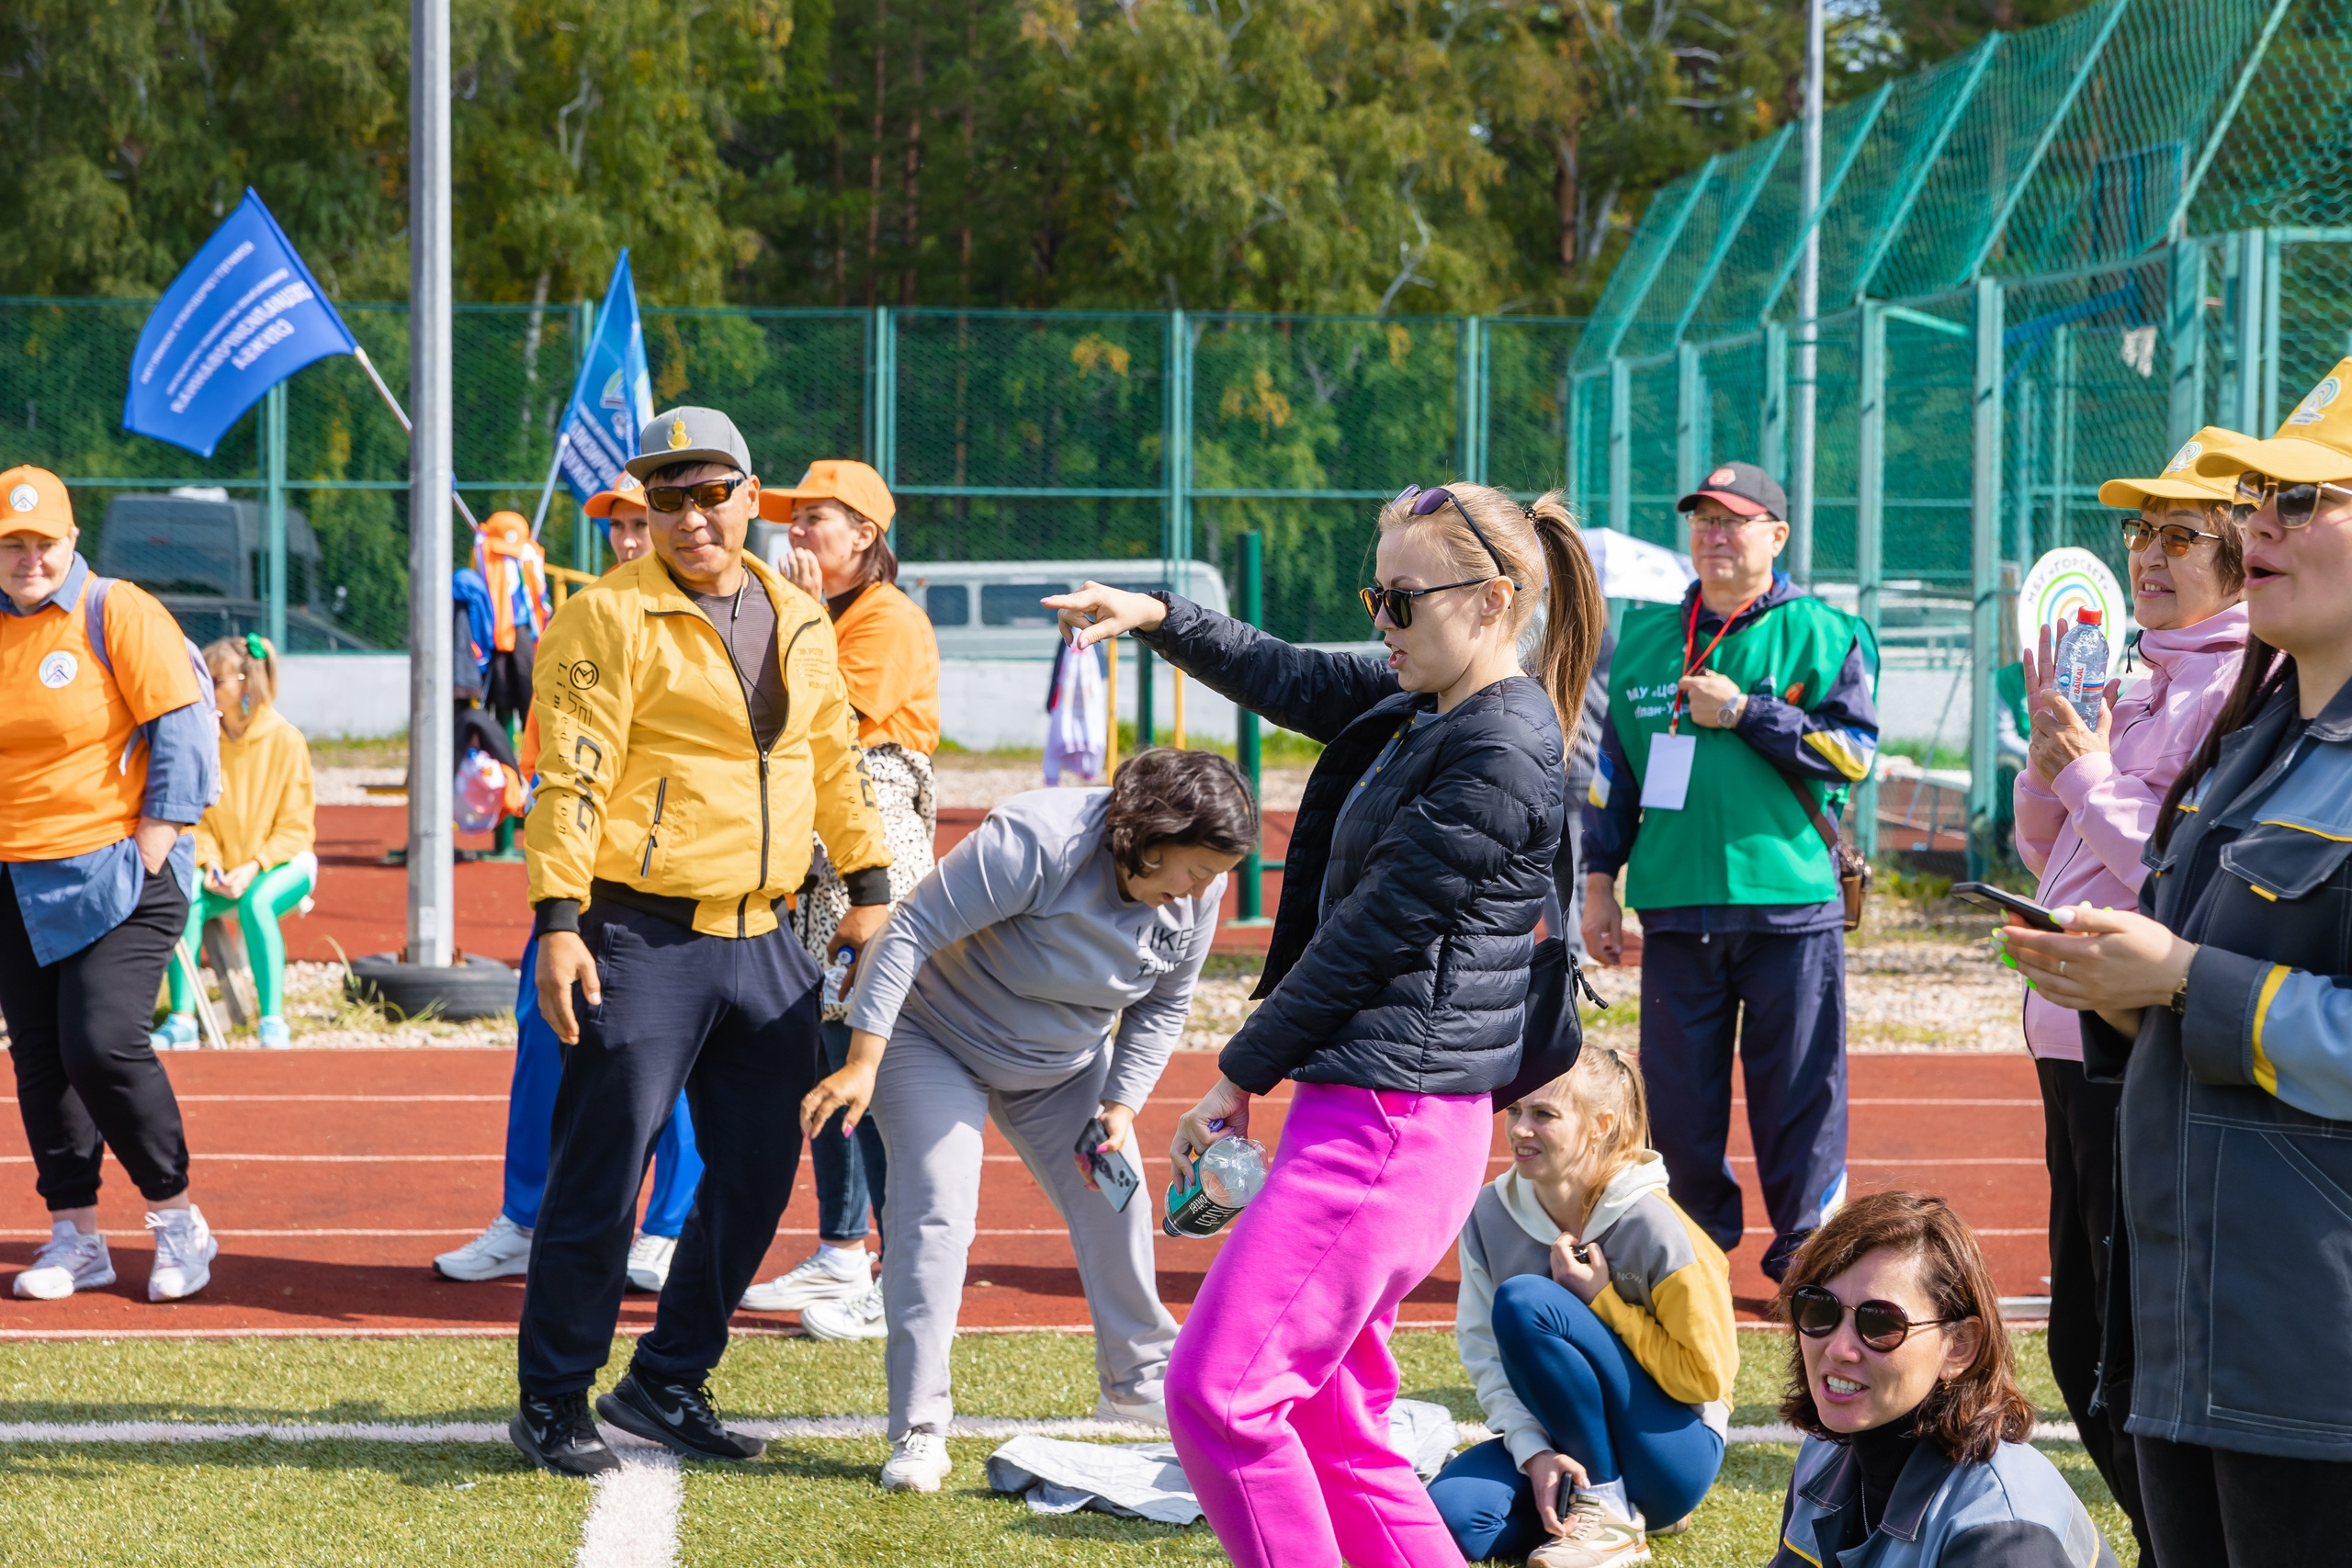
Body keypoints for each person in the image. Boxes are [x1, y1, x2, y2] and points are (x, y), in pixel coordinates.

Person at [1047, 480, 1605, 1568]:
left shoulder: (1498, 747)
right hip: (1374, 1111)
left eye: (1401, 601)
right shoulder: (1432, 698)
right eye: (1374, 596)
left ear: (1492, 600)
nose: (1379, 622)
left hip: (1391, 1126)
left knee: (1220, 1398)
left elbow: (1371, 936)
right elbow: (1289, 673)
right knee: (1333, 1424)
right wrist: (1158, 614)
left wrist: (1235, 1072)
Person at [2003, 359, 2352, 1562]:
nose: (2262, 526)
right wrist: (2115, 985)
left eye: (2298, 498)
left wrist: (2181, 981)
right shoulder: (2260, 741)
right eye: (2254, 500)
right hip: (2193, 1331)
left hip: (2311, 1351)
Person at [507, 408, 894, 1478]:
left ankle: (668, 1377)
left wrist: (869, 886)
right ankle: (552, 1398)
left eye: (710, 492)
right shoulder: (604, 616)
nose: (689, 516)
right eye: (666, 497)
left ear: (749, 496)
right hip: (641, 935)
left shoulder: (799, 615)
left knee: (761, 1171)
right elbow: (570, 776)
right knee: (602, 1176)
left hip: (765, 936)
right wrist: (558, 919)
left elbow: (831, 760)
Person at [798, 747, 1252, 1491]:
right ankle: (919, 1425)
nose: (1205, 889)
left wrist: (1119, 1105)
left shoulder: (1200, 890)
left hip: (1063, 1066)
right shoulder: (1038, 838)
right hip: (935, 1038)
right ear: (1153, 837)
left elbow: (1165, 1003)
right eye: (1198, 869)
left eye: (1216, 874)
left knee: (1118, 1195)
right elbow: (909, 929)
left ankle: (1135, 1379)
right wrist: (863, 1059)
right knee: (938, 1209)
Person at [2007, 430, 2246, 1555]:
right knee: (2082, 1342)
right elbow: (2048, 849)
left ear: (2242, 555)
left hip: (2129, 1038)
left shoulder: (2233, 688)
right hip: (2064, 1035)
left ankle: (2169, 1541)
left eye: (2181, 536)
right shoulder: (2140, 675)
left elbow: (2176, 872)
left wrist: (2089, 771)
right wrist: (2046, 761)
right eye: (2140, 533)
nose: (2148, 555)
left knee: (2121, 1348)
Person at [1580, 460, 1879, 1282]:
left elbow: (1853, 752)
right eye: (1702, 519)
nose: (1714, 534)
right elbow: (1615, 775)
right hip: (1675, 903)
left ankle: (1807, 1254)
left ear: (1776, 535)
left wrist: (1747, 712)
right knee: (1677, 1101)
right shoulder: (1645, 637)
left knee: (1800, 1095)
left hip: (1790, 903)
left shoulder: (1828, 631)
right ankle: (1691, 1250)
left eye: (1734, 520)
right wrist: (1599, 882)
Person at [434, 472, 703, 1291]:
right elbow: (554, 744)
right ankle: (525, 1217)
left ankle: (667, 1227)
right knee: (543, 1037)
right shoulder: (582, 616)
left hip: (662, 883)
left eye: (639, 522)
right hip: (577, 877)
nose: (628, 539)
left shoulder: (702, 624)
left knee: (671, 1057)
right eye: (618, 525)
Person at [0, 465, 220, 1303]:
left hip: (119, 871)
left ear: (72, 540)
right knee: (40, 1056)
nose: (28, 558)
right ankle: (76, 1237)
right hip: (15, 876)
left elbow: (185, 729)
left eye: (42, 541)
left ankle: (177, 1219)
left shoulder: (116, 609)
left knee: (99, 1042)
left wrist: (153, 845)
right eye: (11, 543)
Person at [741, 460, 939, 1326]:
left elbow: (831, 720)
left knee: (873, 1062)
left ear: (865, 533)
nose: (796, 531)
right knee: (826, 1055)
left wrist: (801, 614)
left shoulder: (886, 617)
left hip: (873, 849)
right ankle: (842, 1252)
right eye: (792, 516)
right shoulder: (819, 609)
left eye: (814, 516)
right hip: (824, 849)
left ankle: (901, 1271)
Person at [1428, 1045, 1734, 1567]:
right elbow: (1484, 1353)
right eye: (1515, 1110)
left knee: (1526, 1301)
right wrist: (1533, 1451)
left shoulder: (1656, 1225)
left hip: (1668, 1451)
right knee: (1454, 1520)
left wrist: (1602, 1300)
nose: (1521, 1129)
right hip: (1561, 1441)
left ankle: (1611, 1510)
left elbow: (1704, 1380)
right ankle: (1616, 1511)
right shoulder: (1488, 1215)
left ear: (1601, 1125)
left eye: (1544, 1114)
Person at [1768, 1190, 2120, 1567]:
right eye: (1819, 1308)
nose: (1839, 1349)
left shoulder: (2003, 1530)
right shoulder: (1822, 1454)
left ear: (1959, 1347)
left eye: (1881, 1323)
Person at [151, 634, 318, 1051]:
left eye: (216, 680)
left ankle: (272, 1020)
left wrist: (255, 865)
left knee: (256, 903)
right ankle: (182, 1018)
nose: (205, 687)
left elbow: (296, 828)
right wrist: (209, 862)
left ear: (246, 683)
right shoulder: (206, 738)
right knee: (183, 895)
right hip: (221, 868)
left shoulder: (286, 739)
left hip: (285, 865)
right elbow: (196, 816)